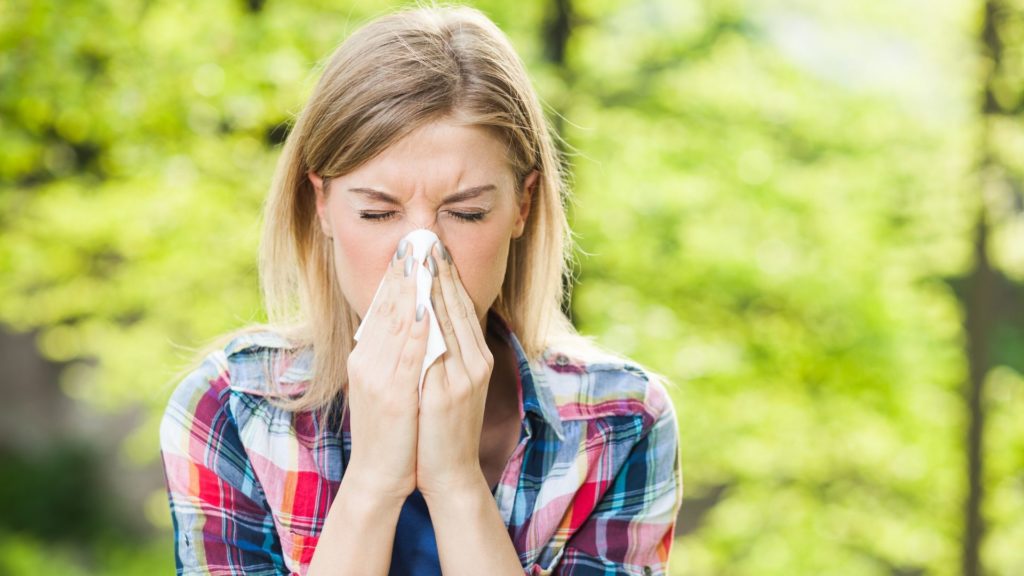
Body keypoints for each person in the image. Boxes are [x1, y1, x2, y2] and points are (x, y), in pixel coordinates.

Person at [159, 4, 682, 575]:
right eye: (378, 213)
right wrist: (374, 482)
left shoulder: (622, 421)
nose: (422, 255)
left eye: (466, 212)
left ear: (522, 206)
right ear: (324, 205)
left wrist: (456, 483)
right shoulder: (231, 408)